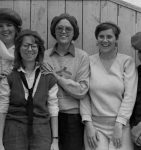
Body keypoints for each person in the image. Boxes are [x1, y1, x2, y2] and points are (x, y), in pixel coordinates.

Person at [80, 22, 138, 150]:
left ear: (116, 39)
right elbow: (83, 94)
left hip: (121, 125)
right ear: (97, 39)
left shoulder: (126, 62)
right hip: (95, 126)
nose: (105, 40)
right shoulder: (88, 61)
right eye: (101, 36)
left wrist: (119, 124)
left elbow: (130, 95)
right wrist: (88, 124)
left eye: (109, 37)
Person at [0, 29, 59, 150]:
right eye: (26, 45)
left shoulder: (48, 77)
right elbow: (2, 108)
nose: (30, 49)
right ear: (18, 49)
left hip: (41, 131)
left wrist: (55, 141)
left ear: (39, 49)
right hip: (14, 131)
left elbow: (53, 108)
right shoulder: (9, 76)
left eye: (33, 46)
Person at [43, 13, 90, 150]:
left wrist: (56, 78)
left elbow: (82, 90)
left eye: (68, 29)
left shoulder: (82, 57)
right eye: (59, 28)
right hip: (47, 115)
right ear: (54, 31)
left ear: (74, 32)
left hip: (72, 117)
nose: (63, 31)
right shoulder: (44, 56)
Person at [0, 8, 22, 79]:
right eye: (0, 26)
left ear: (16, 28)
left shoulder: (24, 50)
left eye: (9, 25)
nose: (5, 29)